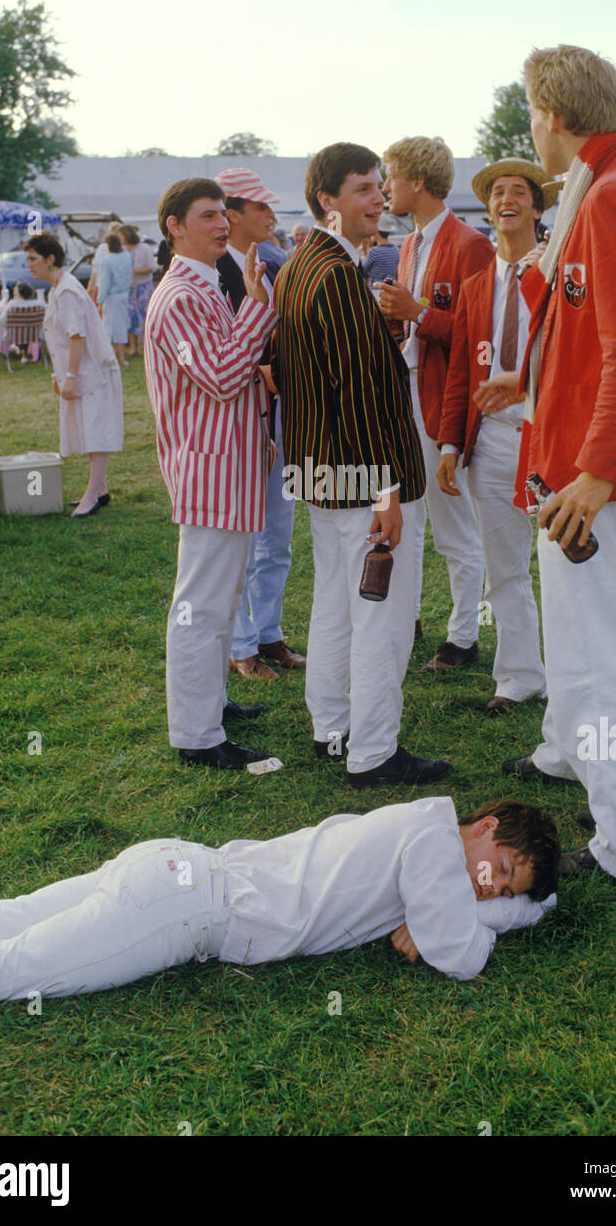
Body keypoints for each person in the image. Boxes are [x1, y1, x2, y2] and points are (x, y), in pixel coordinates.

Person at [490, 44, 616, 888]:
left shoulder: (610, 198)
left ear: (554, 116)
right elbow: (607, 331)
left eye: (530, 115)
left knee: (608, 652)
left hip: (597, 477)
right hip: (605, 469)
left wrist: (597, 470)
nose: (528, 131)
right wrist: (530, 377)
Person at [0, 797, 560, 1011]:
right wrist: (512, 914)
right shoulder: (435, 852)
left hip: (178, 868)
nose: (488, 886)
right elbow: (464, 956)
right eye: (499, 869)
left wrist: (447, 914)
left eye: (504, 890)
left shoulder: (421, 824)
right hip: (184, 908)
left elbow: (444, 929)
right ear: (488, 822)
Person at [272, 141, 448, 789]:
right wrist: (386, 491)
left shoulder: (299, 265)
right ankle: (372, 751)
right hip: (363, 476)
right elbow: (361, 394)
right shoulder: (335, 275)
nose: (377, 200)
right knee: (380, 612)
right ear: (328, 200)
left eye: (379, 187)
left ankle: (331, 727)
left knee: (336, 603)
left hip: (321, 470)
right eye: (364, 190)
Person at [144, 177, 278, 771]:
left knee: (220, 599)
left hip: (227, 466)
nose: (222, 224)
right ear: (174, 225)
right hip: (210, 471)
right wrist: (259, 306)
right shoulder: (180, 296)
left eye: (223, 214)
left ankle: (212, 705)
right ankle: (196, 735)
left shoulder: (205, 286)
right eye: (207, 216)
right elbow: (223, 375)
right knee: (201, 603)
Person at [437, 159, 558, 716]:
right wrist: (449, 445)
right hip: (491, 442)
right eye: (496, 193)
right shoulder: (475, 285)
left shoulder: (557, 269)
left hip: (550, 436)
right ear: (487, 208)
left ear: (537, 207)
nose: (506, 200)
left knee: (562, 563)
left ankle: (572, 672)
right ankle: (518, 675)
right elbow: (461, 369)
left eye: (518, 192)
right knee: (503, 566)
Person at [380, 136, 494, 669]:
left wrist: (418, 313)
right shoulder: (409, 245)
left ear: (417, 181)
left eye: (391, 176)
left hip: (441, 400)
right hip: (405, 392)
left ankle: (463, 637)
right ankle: (406, 618)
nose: (385, 187)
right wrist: (396, 317)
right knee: (404, 513)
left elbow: (480, 336)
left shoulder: (470, 244)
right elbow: (418, 321)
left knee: (452, 522)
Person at [214, 167, 305, 682]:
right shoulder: (218, 274)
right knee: (247, 538)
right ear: (233, 215)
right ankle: (241, 642)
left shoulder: (266, 267)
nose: (271, 217)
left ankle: (267, 633)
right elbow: (230, 357)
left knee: (278, 533)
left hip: (276, 418)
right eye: (261, 209)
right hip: (245, 423)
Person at [24, 233, 123, 518]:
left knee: (97, 432)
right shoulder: (57, 289)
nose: (29, 266)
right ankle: (100, 490)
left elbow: (77, 338)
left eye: (33, 259)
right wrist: (61, 375)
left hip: (94, 372)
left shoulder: (66, 291)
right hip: (84, 371)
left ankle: (91, 496)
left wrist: (69, 376)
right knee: (89, 430)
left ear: (50, 259)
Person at [118, 225, 156, 357]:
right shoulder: (122, 250)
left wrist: (134, 271)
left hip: (143, 287)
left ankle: (147, 347)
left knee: (146, 316)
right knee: (130, 317)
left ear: (127, 235)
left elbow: (152, 267)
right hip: (129, 288)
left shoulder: (144, 248)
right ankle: (133, 348)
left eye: (121, 236)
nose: (119, 238)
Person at [96, 234, 133, 366]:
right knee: (121, 326)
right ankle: (122, 358)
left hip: (112, 297)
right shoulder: (127, 256)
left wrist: (100, 301)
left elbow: (105, 282)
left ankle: (108, 358)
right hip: (124, 294)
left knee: (108, 328)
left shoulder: (107, 260)